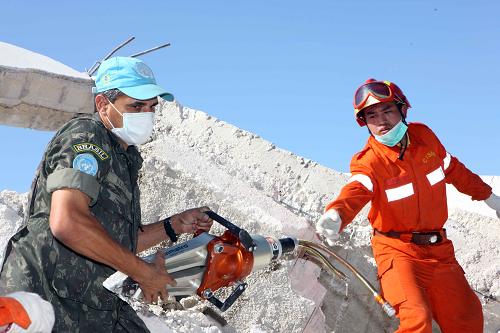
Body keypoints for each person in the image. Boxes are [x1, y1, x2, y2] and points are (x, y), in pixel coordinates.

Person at [0, 56, 213, 332]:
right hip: (46, 295)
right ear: (103, 104)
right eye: (136, 105)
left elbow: (116, 242)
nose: (146, 114)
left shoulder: (125, 156)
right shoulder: (87, 136)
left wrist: (173, 225)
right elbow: (69, 222)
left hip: (91, 299)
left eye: (151, 107)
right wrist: (143, 272)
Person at [316, 78, 500, 333]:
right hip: (397, 252)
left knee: (467, 318)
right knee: (417, 319)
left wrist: (489, 197)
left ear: (403, 110)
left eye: (388, 110)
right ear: (364, 123)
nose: (381, 120)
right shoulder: (369, 162)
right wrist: (337, 212)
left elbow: (454, 170)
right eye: (372, 115)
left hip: (439, 252)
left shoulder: (425, 137)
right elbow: (357, 189)